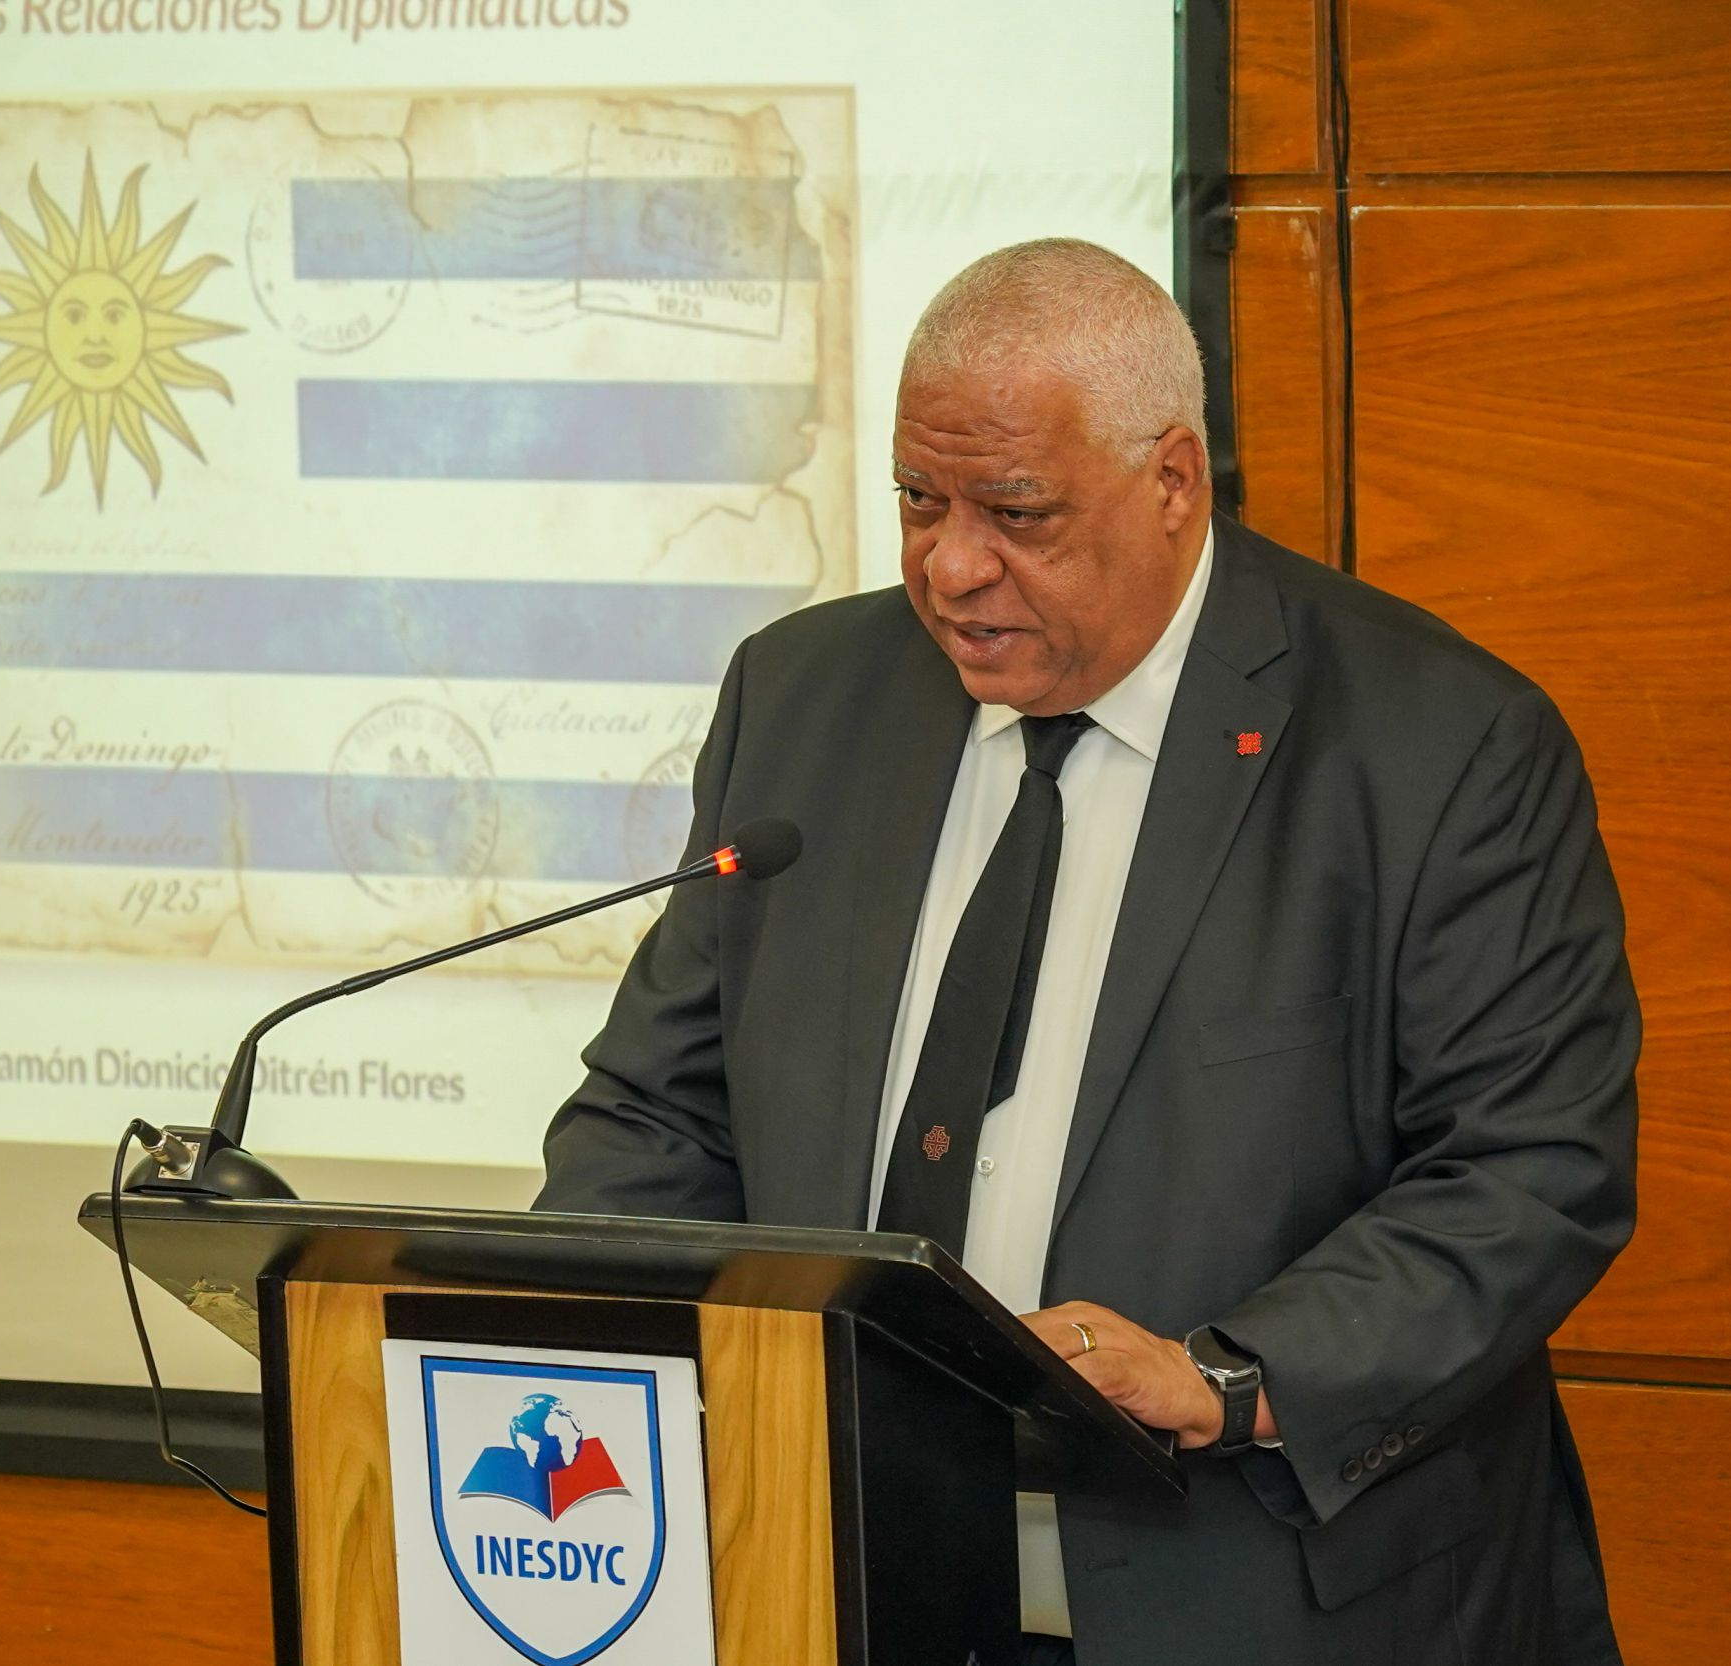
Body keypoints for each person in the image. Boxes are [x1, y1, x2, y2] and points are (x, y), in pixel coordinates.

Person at [536, 238, 1639, 1664]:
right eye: (918, 501)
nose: (952, 565)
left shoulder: (1437, 745)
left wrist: (1232, 1375)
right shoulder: (804, 697)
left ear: (1172, 480)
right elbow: (661, 1111)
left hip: (1266, 1605)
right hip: (840, 1582)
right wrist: (564, 1334)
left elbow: (1531, 1168)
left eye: (1017, 511)